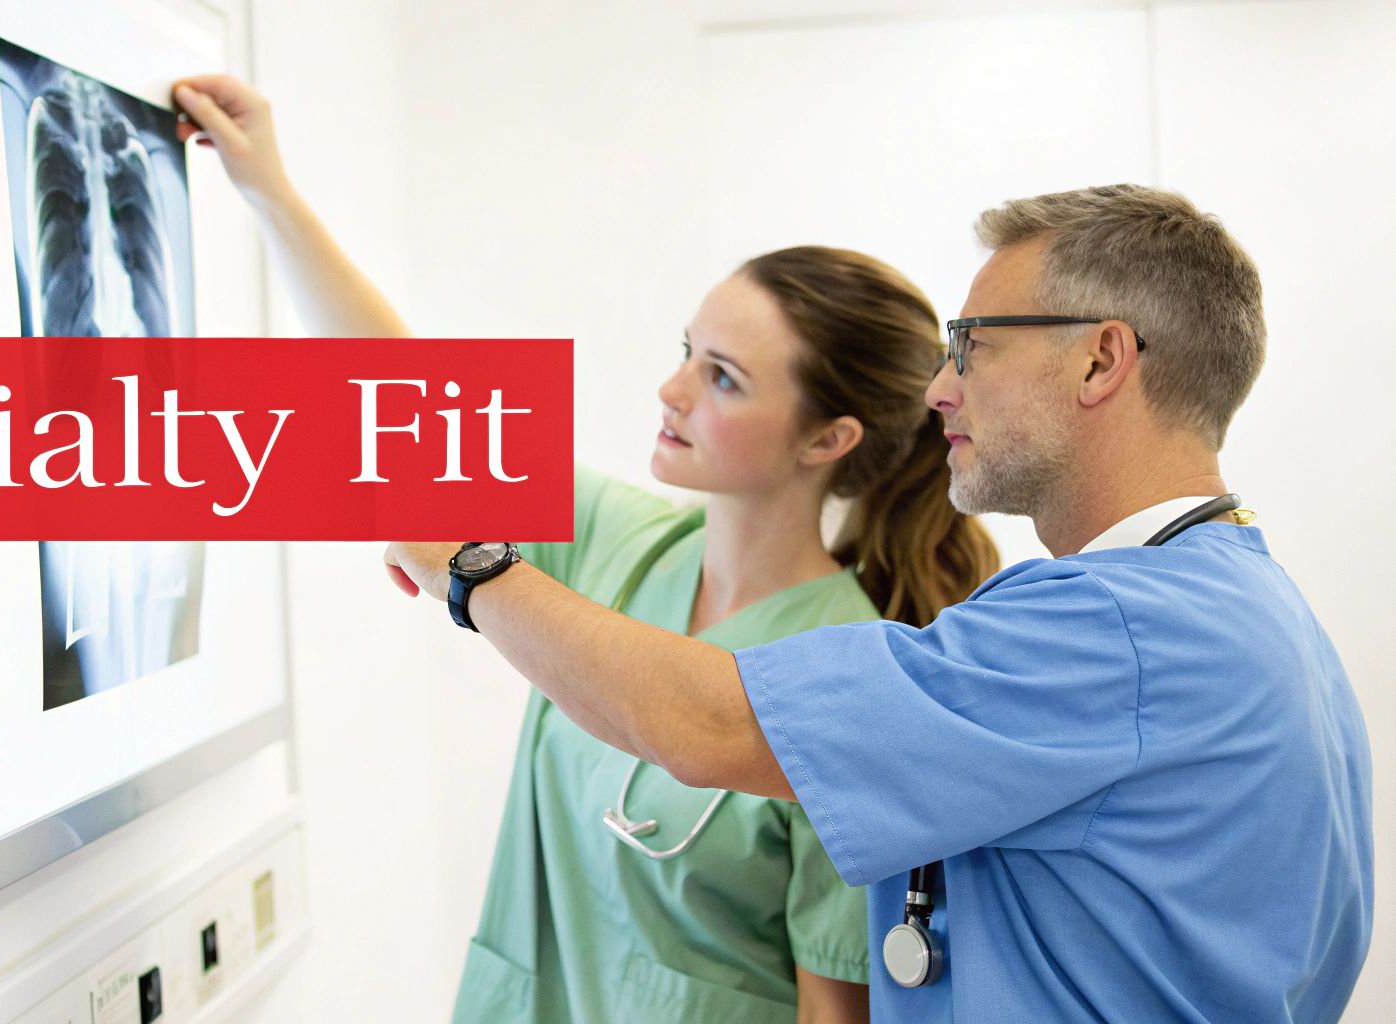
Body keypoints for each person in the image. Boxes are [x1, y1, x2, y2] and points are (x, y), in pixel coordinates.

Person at [376, 184, 1374, 1021]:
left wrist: (471, 572)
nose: (939, 388)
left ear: (1099, 359)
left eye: (971, 343)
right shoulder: (1252, 611)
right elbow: (398, 393)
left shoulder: (1120, 628)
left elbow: (702, 720)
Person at [172, 76, 1001, 1022]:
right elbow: (403, 395)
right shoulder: (623, 545)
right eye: (686, 349)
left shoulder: (849, 682)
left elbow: (835, 1011)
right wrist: (270, 191)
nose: (671, 389)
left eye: (721, 378)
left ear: (828, 440)